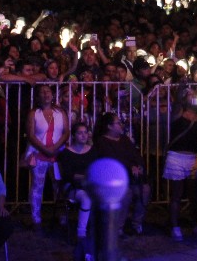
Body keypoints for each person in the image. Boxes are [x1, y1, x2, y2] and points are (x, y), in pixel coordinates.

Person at [90, 112, 147, 237]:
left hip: (131, 177)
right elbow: (112, 160)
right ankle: (118, 227)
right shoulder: (102, 142)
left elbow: (135, 155)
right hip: (113, 178)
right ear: (109, 126)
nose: (121, 125)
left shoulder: (125, 139)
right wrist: (130, 166)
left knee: (145, 190)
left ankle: (136, 223)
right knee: (126, 193)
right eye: (118, 123)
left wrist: (139, 166)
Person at [163, 93, 197, 240]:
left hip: (193, 157)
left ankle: (195, 224)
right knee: (176, 194)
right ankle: (175, 226)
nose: (193, 97)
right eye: (189, 95)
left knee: (194, 195)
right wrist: (182, 91)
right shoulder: (178, 113)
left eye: (194, 95)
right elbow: (176, 105)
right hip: (176, 156)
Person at [24, 84, 69, 228]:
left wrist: (54, 148)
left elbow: (66, 132)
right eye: (42, 92)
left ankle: (62, 217)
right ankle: (36, 218)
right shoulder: (33, 113)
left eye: (48, 91)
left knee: (59, 186)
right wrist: (44, 149)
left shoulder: (60, 112)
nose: (45, 94)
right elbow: (31, 135)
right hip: (39, 154)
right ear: (37, 96)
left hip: (58, 154)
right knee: (37, 187)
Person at [56, 121, 95, 261]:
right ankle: (81, 232)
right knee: (86, 198)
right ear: (74, 135)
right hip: (72, 187)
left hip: (90, 185)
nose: (83, 135)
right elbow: (67, 175)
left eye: (85, 132)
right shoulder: (66, 153)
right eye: (80, 132)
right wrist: (85, 177)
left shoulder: (92, 150)